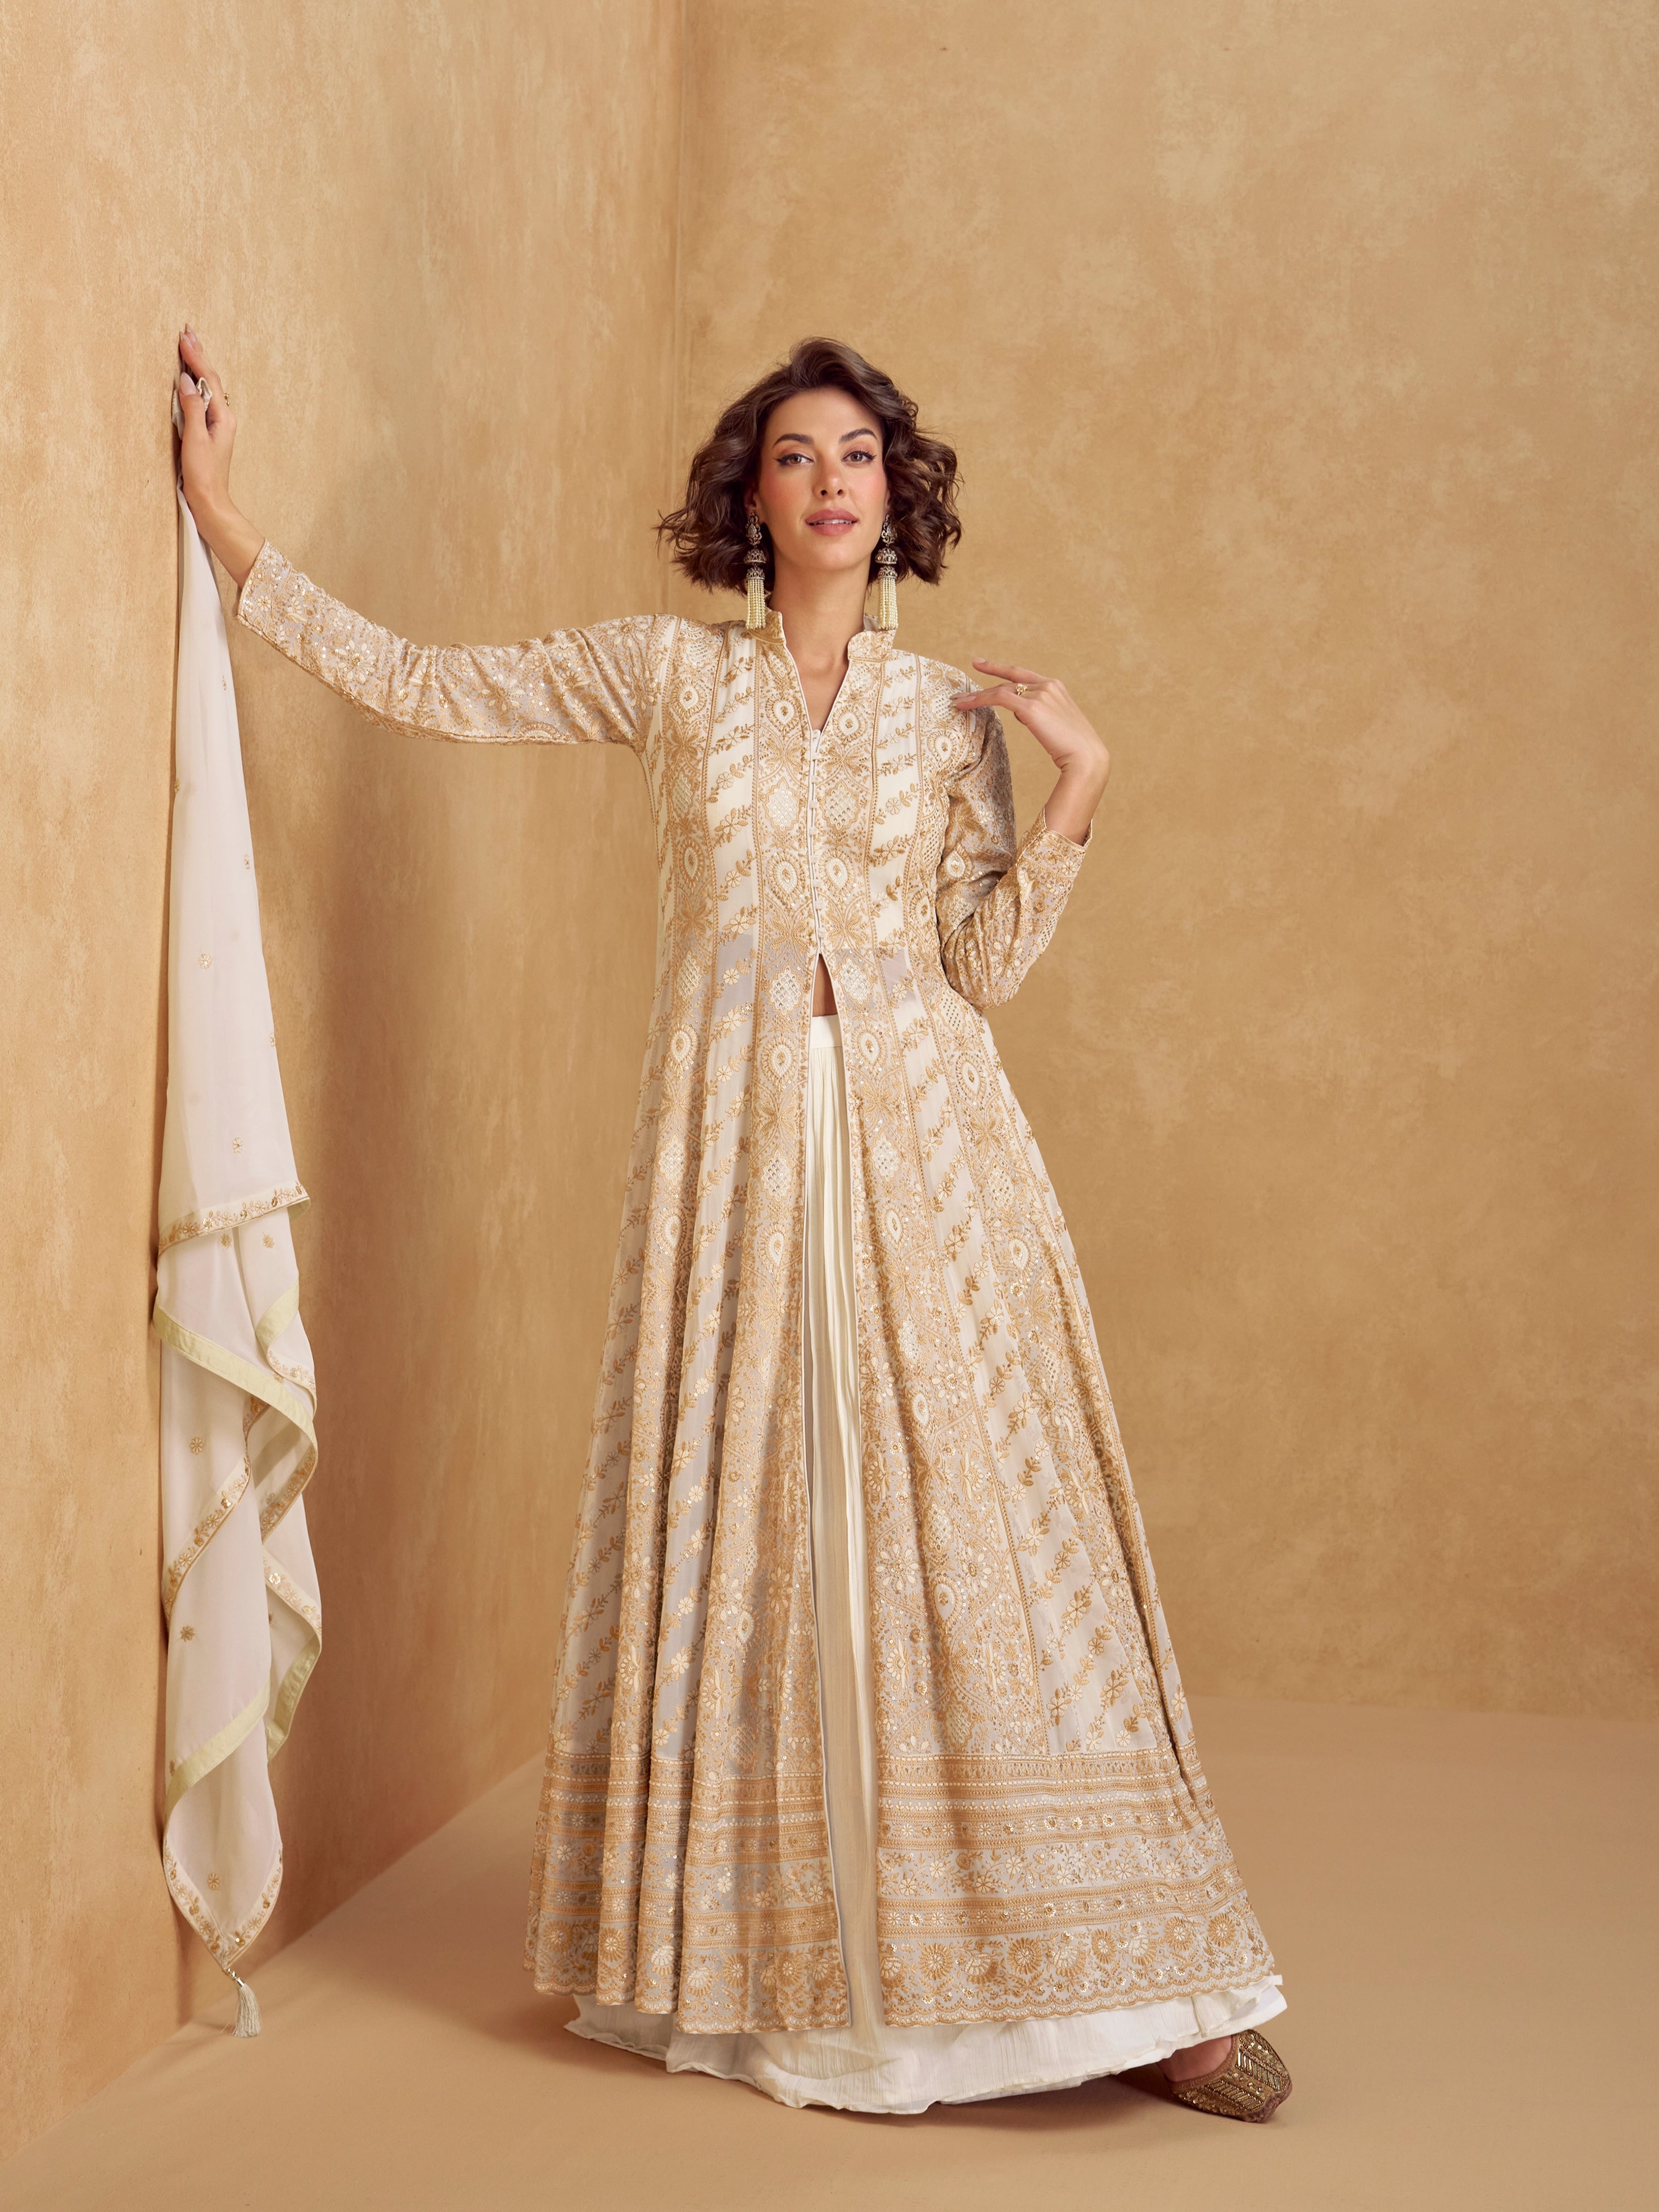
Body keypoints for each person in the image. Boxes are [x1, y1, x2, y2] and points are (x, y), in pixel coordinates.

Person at [175, 327, 1291, 2123]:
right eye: (794, 455)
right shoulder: (669, 676)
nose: (830, 480)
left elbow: (983, 963)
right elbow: (429, 684)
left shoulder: (953, 720)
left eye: (857, 454)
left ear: (894, 494)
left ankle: (1143, 1979)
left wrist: (1078, 787)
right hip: (736, 1161)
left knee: (990, 1541)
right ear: (747, 498)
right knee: (767, 1533)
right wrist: (227, 522)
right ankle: (787, 1953)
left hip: (932, 1158)